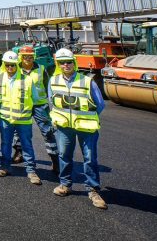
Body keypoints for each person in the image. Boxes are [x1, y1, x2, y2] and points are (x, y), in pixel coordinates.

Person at [49, 48, 107, 209]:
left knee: (89, 159)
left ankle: (93, 190)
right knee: (64, 156)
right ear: (58, 64)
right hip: (64, 127)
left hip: (86, 127)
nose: (65, 65)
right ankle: (65, 184)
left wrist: (86, 118)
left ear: (73, 62)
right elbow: (51, 102)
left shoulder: (87, 81)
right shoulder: (53, 81)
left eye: (68, 61)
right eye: (62, 62)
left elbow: (100, 105)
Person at [0, 51, 41, 185]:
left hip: (23, 120)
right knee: (5, 144)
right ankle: (5, 167)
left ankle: (31, 171)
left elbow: (36, 99)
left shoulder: (28, 79)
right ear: (4, 64)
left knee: (27, 145)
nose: (10, 68)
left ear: (17, 65)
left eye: (13, 65)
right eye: (7, 65)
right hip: (5, 119)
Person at [12, 45, 59, 172]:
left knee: (47, 131)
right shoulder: (15, 68)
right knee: (18, 131)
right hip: (22, 104)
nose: (28, 58)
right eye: (25, 56)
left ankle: (55, 159)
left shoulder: (41, 68)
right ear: (20, 57)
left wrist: (52, 105)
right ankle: (19, 153)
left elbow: (47, 86)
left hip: (40, 105)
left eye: (30, 56)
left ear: (34, 57)